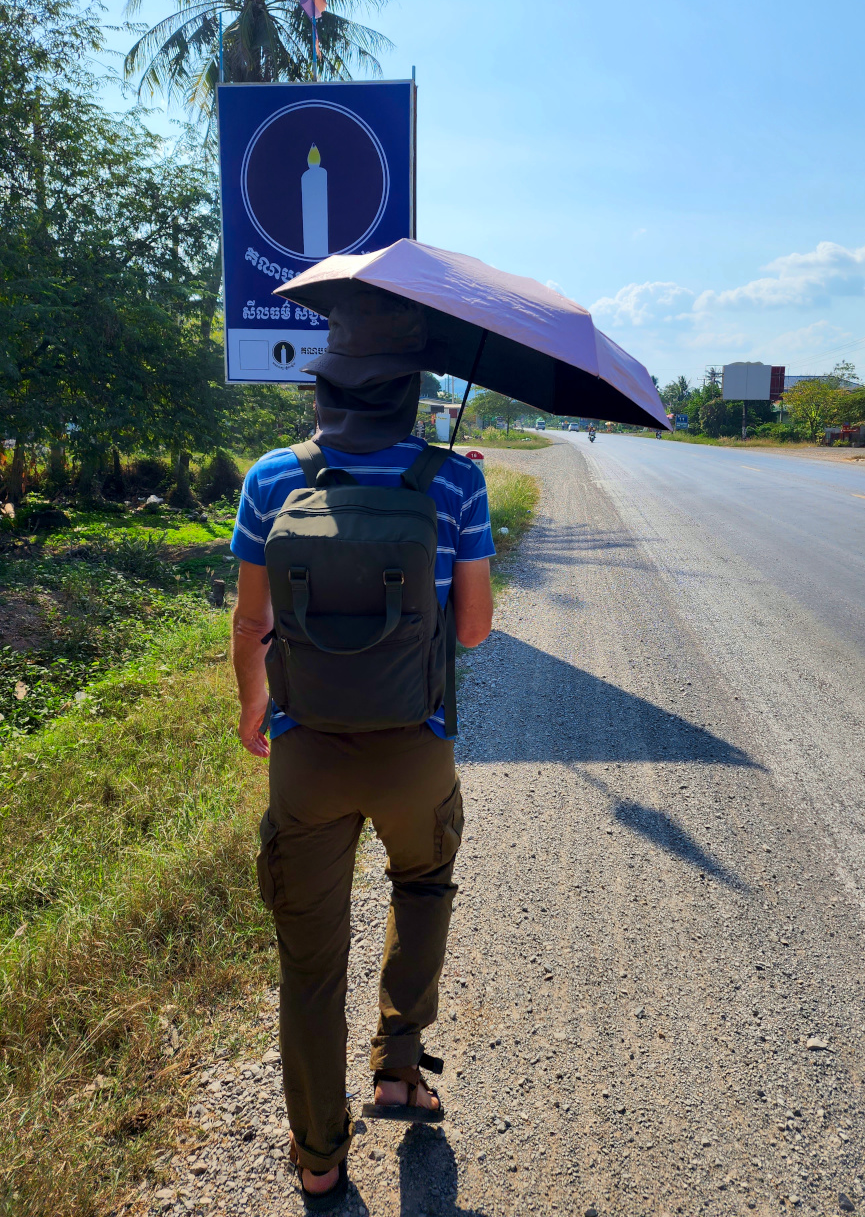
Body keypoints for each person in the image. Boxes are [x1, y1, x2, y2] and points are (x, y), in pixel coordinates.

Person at [230, 298, 495, 1209]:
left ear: (328, 386)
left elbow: (253, 619)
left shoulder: (272, 477)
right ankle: (399, 1070)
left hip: (307, 753)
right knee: (422, 884)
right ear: (409, 394)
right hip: (414, 749)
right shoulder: (454, 482)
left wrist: (254, 705)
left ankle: (317, 1157)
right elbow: (475, 628)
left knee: (309, 957)